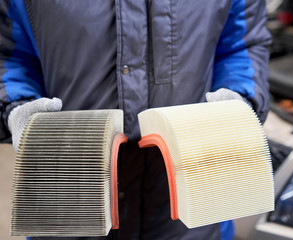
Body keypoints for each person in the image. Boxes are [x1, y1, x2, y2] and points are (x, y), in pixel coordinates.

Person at [0, 0, 271, 239]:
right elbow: (7, 50)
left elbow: (242, 44)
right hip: (73, 193)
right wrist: (15, 105)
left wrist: (240, 97)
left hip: (194, 201)